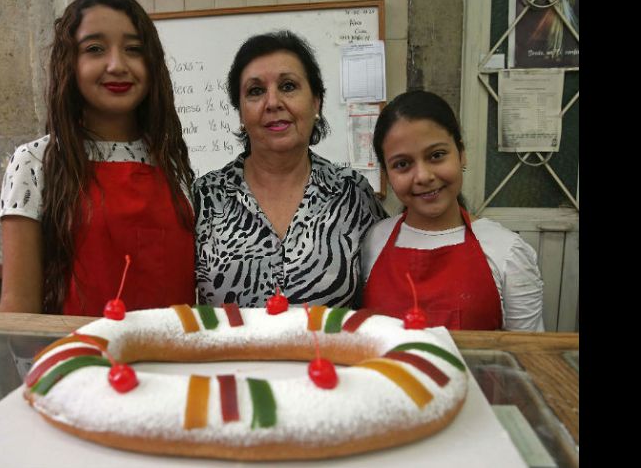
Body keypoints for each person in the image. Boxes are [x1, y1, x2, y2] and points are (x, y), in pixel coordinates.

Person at [0, 0, 195, 315]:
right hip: (79, 360)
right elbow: (19, 307)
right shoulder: (34, 163)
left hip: (170, 361)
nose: (117, 65)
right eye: (95, 49)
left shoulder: (170, 160)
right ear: (69, 63)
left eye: (133, 49)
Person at [194, 31, 385, 309]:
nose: (272, 102)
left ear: (316, 102)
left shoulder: (353, 193)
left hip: (329, 353)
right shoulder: (204, 198)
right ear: (240, 114)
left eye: (288, 86)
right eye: (256, 91)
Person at [361, 90, 544, 331]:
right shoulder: (374, 241)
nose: (424, 176)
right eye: (402, 164)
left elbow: (527, 356)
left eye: (436, 155)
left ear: (462, 154)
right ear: (386, 173)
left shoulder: (507, 252)